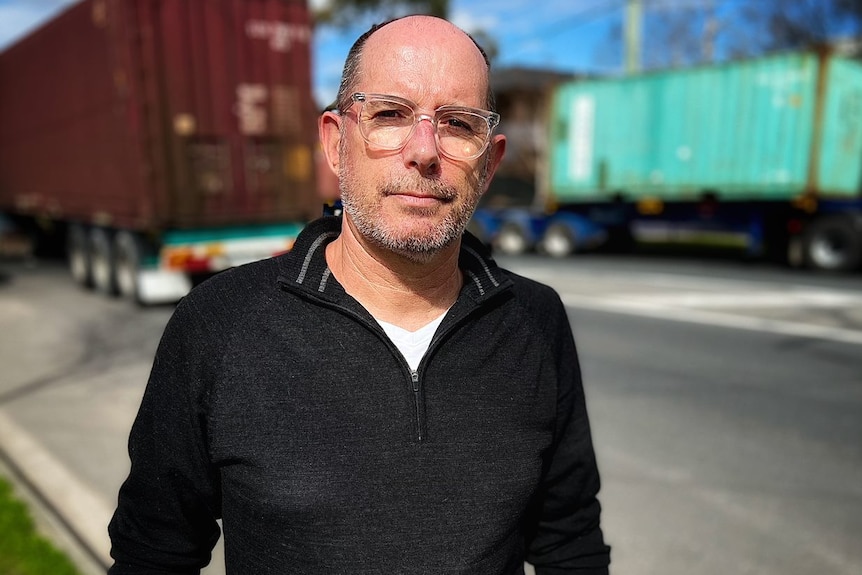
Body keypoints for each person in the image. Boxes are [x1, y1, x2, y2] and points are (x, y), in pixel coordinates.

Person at [108, 14, 610, 575]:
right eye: (390, 115)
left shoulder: (535, 320)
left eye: (457, 124)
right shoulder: (219, 324)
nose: (424, 152)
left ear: (489, 163)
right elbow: (153, 553)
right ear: (336, 141)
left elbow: (570, 542)